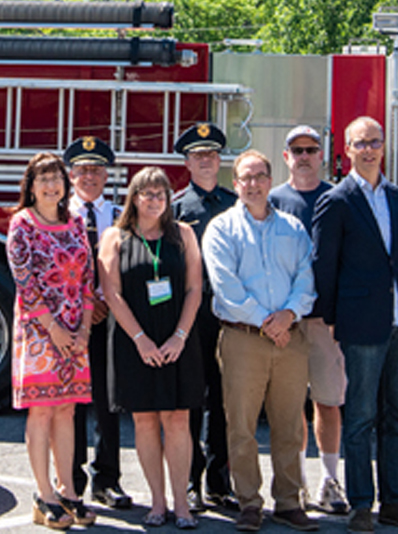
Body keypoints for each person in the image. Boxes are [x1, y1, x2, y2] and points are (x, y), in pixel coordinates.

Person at [312, 116, 398, 533]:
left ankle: (394, 502)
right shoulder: (337, 199)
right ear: (347, 149)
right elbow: (323, 265)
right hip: (361, 323)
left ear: (384, 147)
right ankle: (361, 504)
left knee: (394, 417)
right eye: (360, 143)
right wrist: (331, 319)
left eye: (375, 142)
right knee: (361, 416)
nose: (369, 149)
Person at [203, 149, 319, 532]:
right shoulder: (221, 229)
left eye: (260, 176)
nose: (253, 184)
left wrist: (288, 316)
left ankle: (288, 501)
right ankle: (249, 502)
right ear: (234, 184)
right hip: (243, 339)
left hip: (290, 338)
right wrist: (268, 322)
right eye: (245, 178)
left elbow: (306, 277)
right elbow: (225, 286)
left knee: (289, 426)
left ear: (271, 180)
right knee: (242, 427)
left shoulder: (293, 228)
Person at [98, 166, 203, 529]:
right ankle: (157, 503)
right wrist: (141, 340)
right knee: (144, 421)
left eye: (161, 194)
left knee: (178, 420)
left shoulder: (184, 235)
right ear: (134, 197)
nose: (155, 199)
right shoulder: (115, 237)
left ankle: (181, 504)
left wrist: (180, 336)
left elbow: (194, 289)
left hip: (178, 342)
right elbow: (111, 294)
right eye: (147, 193)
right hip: (134, 343)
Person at [8, 152, 97, 529]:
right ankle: (44, 496)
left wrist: (84, 329)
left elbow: (89, 278)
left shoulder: (75, 223)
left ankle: (69, 491)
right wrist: (55, 329)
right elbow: (24, 282)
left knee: (68, 409)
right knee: (42, 410)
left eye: (56, 178)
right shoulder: (21, 224)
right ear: (30, 185)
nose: (50, 185)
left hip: (76, 334)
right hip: (39, 334)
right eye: (42, 178)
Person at [269, 125, 349, 515]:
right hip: (284, 322)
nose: (304, 156)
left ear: (322, 155)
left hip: (323, 323)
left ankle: (330, 480)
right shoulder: (271, 200)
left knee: (328, 402)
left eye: (311, 149)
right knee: (288, 406)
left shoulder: (338, 198)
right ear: (286, 156)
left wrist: (339, 316)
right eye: (296, 149)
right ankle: (296, 481)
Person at [172, 122, 238, 512]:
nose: (206, 161)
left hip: (229, 315)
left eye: (211, 155)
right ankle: (192, 482)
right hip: (194, 317)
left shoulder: (235, 203)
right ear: (188, 163)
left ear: (219, 160)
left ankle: (219, 481)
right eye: (198, 156)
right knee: (193, 399)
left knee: (225, 401)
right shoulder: (178, 207)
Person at [64, 136, 132, 510]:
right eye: (83, 169)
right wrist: (88, 303)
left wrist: (105, 302)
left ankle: (107, 479)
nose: (90, 176)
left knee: (109, 401)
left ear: (107, 175)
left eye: (97, 170)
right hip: (72, 322)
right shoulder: (59, 216)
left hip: (109, 320)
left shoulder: (120, 216)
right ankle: (71, 478)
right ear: (71, 175)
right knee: (71, 401)